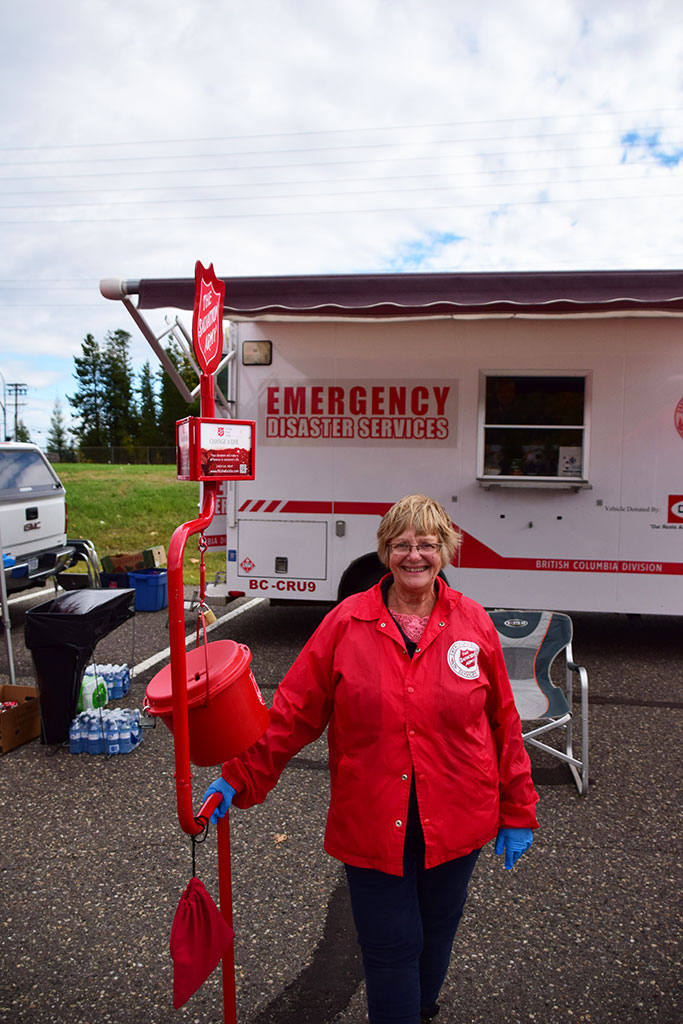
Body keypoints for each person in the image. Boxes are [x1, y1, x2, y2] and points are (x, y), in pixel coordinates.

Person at [204, 493, 539, 1024]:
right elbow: (293, 711)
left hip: (458, 815)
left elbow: (504, 725)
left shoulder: (473, 623)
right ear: (385, 552)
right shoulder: (345, 623)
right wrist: (239, 776)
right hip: (373, 817)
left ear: (445, 552)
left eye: (427, 545)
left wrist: (517, 809)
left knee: (436, 932)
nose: (415, 556)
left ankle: (422, 1007)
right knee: (390, 948)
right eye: (402, 544)